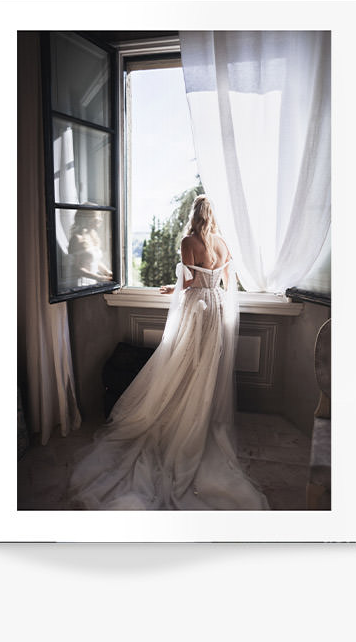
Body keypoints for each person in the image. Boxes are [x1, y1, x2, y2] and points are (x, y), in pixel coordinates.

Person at [68, 195, 268, 510]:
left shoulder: (190, 240)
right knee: (206, 365)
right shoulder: (223, 243)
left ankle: (179, 413)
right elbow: (229, 282)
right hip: (215, 307)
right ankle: (200, 416)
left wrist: (171, 287)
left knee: (184, 362)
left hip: (195, 307)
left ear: (194, 214)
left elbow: (187, 282)